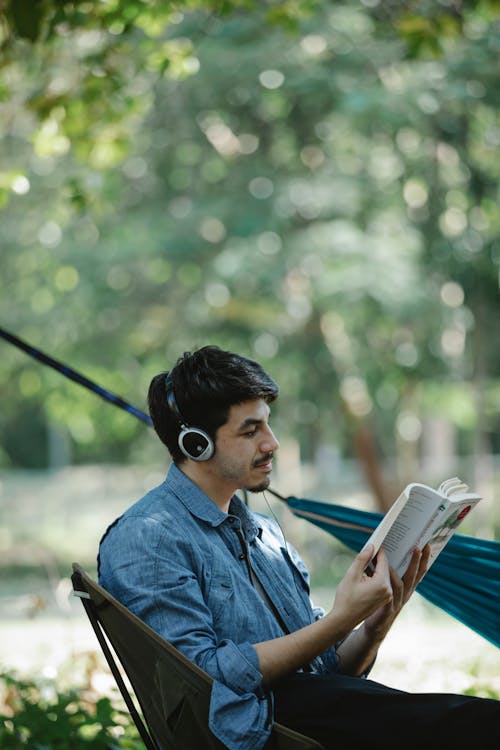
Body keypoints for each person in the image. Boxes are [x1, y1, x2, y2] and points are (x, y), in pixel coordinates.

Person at [98, 345, 499, 750]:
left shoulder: (265, 535)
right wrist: (339, 619)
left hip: (313, 715)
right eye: (250, 431)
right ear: (196, 444)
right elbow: (204, 681)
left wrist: (373, 624)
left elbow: (327, 672)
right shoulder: (147, 538)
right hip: (253, 729)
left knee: (465, 722)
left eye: (267, 425)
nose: (272, 443)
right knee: (466, 725)